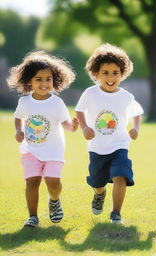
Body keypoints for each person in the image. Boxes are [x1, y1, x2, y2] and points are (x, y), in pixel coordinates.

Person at [7, 50, 79, 227]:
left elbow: (66, 125)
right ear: (29, 81)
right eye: (38, 79)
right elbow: (18, 117)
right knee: (32, 182)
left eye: (48, 79)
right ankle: (33, 217)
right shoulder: (25, 102)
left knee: (53, 183)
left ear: (54, 80)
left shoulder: (56, 103)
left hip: (53, 151)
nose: (44, 83)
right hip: (30, 150)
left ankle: (54, 200)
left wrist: (74, 126)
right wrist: (18, 131)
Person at [75, 43, 143, 224]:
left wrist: (136, 128)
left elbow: (137, 113)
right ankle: (99, 194)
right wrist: (84, 128)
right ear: (96, 73)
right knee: (97, 182)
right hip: (97, 147)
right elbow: (79, 111)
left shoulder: (126, 96)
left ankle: (116, 213)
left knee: (121, 176)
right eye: (105, 72)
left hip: (119, 145)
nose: (111, 77)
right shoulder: (90, 93)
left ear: (122, 74)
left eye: (115, 73)